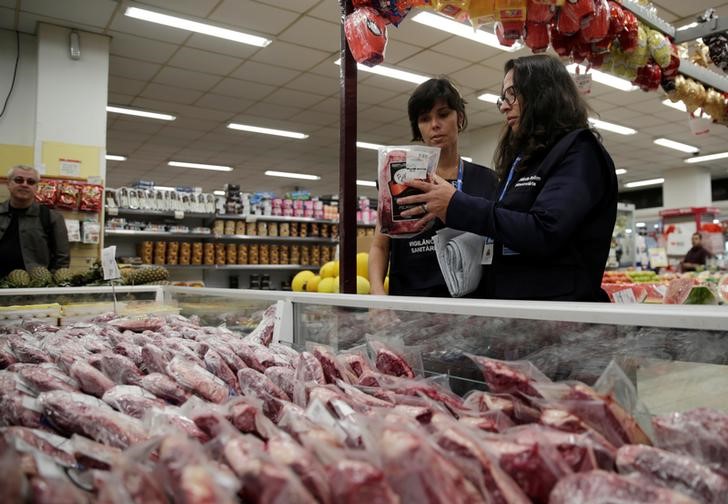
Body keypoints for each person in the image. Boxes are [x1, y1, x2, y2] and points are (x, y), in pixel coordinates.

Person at [398, 55, 618, 301]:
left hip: (560, 316)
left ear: (542, 92)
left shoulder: (579, 151)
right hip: (519, 314)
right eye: (503, 98)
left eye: (512, 94)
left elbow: (544, 231)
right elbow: (509, 227)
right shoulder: (528, 159)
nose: (504, 105)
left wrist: (456, 204)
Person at [369, 77, 498, 296]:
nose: (434, 125)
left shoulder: (487, 181)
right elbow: (380, 246)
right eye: (424, 119)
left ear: (460, 118)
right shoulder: (399, 177)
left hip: (471, 305)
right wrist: (377, 293)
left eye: (444, 114)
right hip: (410, 305)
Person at [0, 165, 70, 277]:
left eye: (31, 182)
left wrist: (47, 286)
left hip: (35, 289)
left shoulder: (51, 218)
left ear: (36, 188)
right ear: (8, 184)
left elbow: (62, 259)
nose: (24, 184)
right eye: (19, 180)